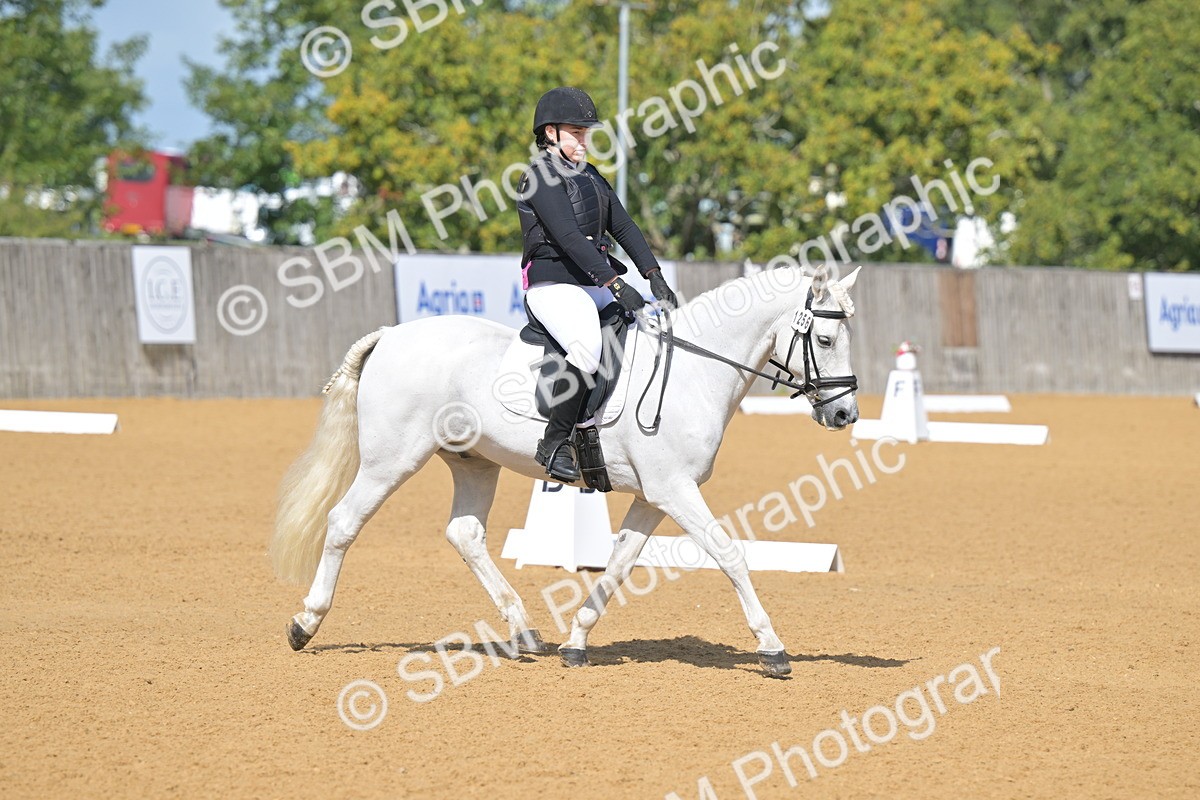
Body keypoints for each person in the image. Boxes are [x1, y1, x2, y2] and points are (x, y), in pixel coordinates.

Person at [517, 86, 677, 483]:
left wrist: (652, 274)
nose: (584, 141)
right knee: (588, 349)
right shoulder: (538, 177)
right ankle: (554, 443)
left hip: (589, 282)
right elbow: (569, 237)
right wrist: (615, 284)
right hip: (552, 285)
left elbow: (622, 225)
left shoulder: (590, 175)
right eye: (577, 132)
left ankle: (600, 432)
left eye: (586, 133)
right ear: (551, 133)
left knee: (643, 331)